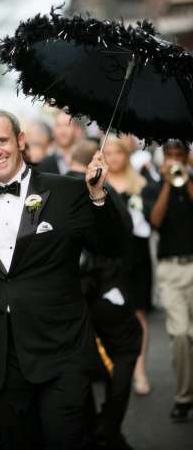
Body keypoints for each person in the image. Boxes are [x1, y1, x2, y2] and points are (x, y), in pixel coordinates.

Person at [0, 109, 125, 450]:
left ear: (20, 141)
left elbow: (111, 246)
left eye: (2, 140)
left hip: (61, 353)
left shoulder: (66, 191)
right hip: (1, 363)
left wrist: (97, 196)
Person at [69, 140, 141, 450]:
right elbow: (123, 234)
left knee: (79, 361)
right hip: (103, 289)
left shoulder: (59, 190)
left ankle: (93, 429)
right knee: (125, 351)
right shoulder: (100, 191)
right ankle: (107, 427)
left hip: (80, 291)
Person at [142, 139, 193, 422]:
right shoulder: (153, 186)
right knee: (181, 334)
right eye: (170, 154)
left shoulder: (190, 179)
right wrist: (166, 183)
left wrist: (185, 179)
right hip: (170, 270)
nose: (174, 159)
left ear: (187, 156)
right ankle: (185, 396)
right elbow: (156, 221)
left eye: (179, 154)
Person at [103, 135, 153, 396]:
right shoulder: (99, 185)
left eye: (118, 152)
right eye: (108, 153)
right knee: (110, 311)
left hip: (137, 257)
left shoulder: (142, 183)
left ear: (126, 154)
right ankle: (114, 366)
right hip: (110, 259)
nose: (113, 158)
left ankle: (140, 369)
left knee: (139, 313)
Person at [38, 111, 82, 175]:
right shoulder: (43, 164)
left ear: (76, 129)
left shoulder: (86, 159)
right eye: (58, 126)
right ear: (53, 130)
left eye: (67, 125)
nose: (63, 131)